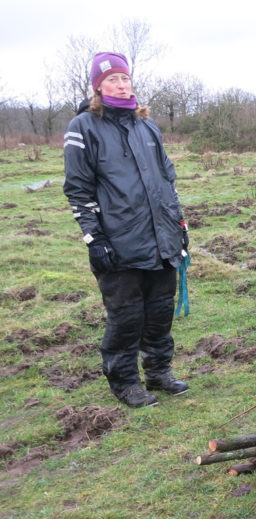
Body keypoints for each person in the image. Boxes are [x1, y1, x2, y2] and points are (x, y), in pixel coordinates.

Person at [63, 52, 189, 408]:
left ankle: (159, 373)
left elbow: (167, 179)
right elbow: (78, 189)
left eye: (125, 79)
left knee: (160, 311)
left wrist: (178, 225)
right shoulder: (83, 127)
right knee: (127, 316)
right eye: (113, 80)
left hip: (161, 239)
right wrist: (94, 238)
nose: (121, 84)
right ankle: (125, 383)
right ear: (98, 87)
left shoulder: (147, 126)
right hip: (118, 243)